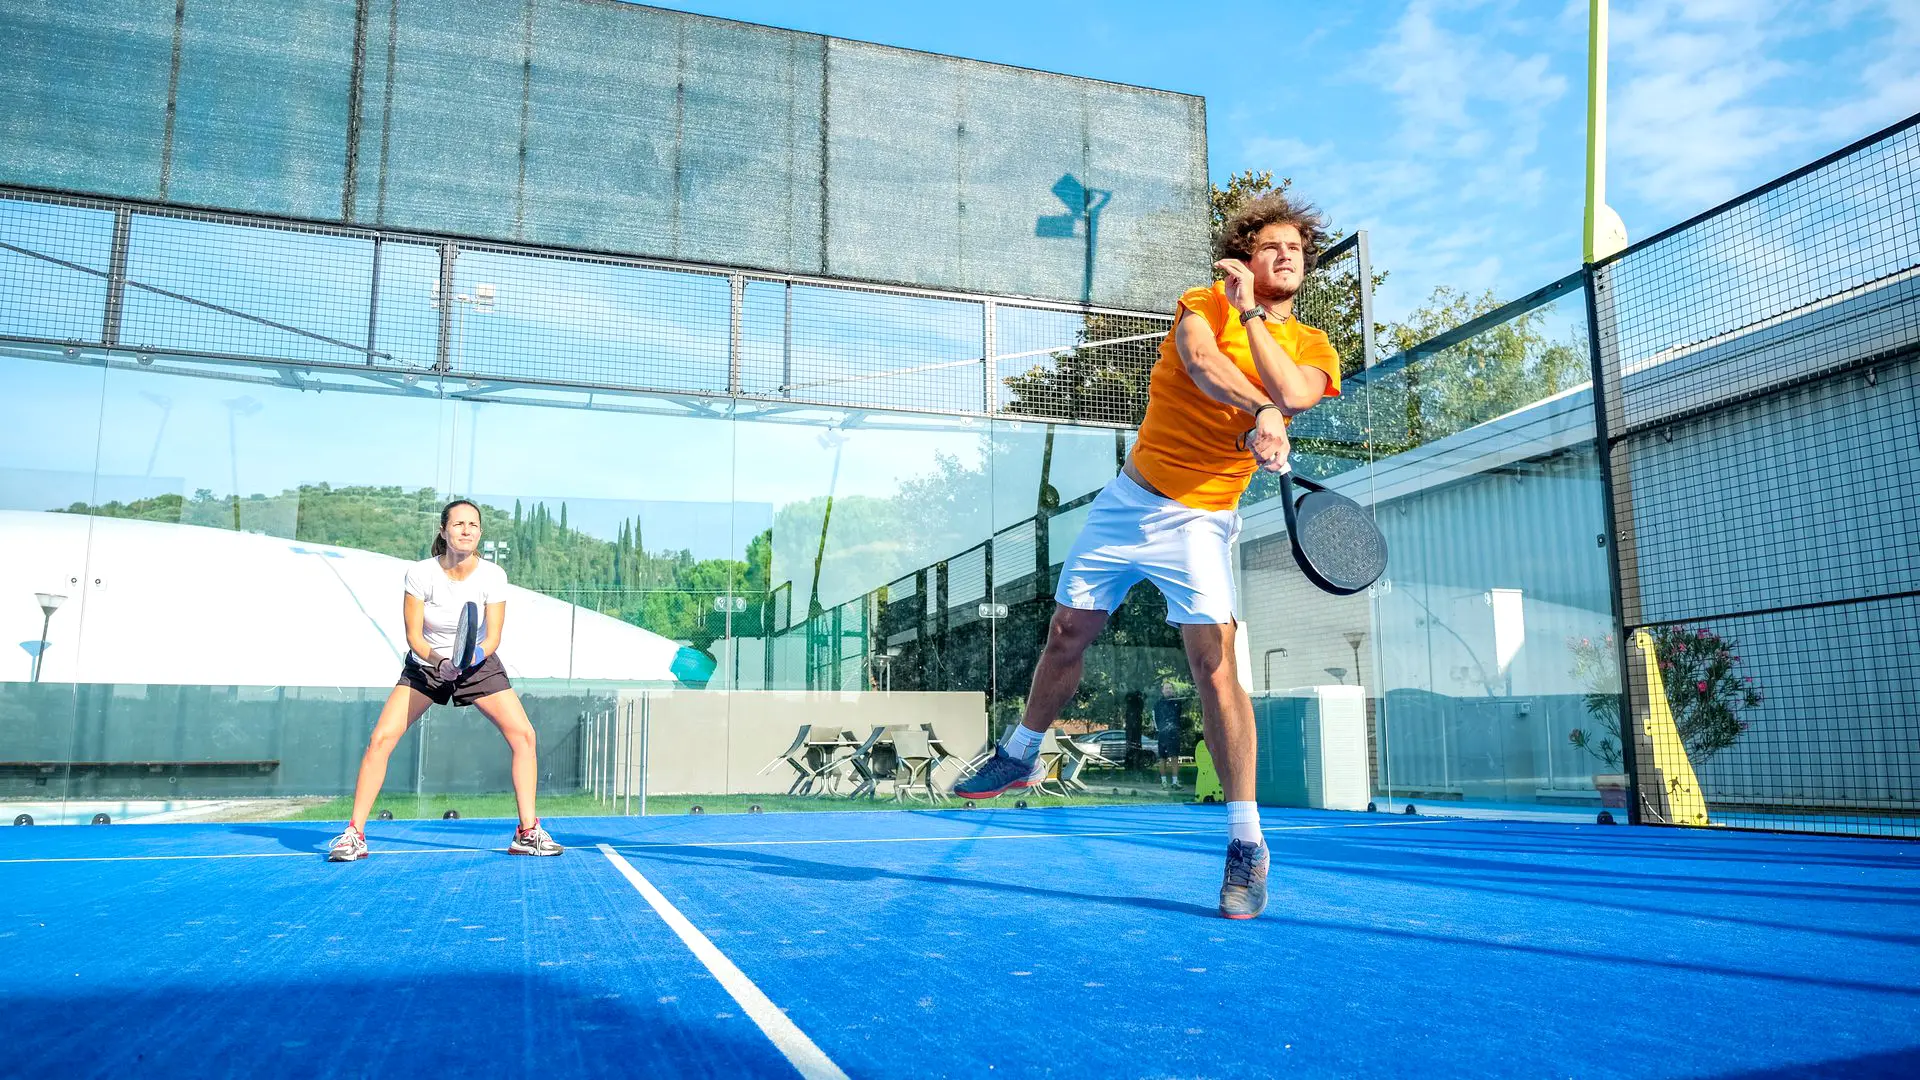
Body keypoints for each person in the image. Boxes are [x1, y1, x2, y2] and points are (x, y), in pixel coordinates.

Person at [953, 193, 1341, 919]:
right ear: (1244, 257)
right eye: (1270, 247)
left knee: (1213, 665)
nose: (1285, 255)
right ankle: (1020, 751)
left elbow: (1292, 391)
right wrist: (1259, 407)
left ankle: (1246, 842)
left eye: (1295, 248)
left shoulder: (1314, 345)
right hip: (1130, 500)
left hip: (1201, 520)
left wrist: (1258, 338)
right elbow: (1199, 365)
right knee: (1067, 633)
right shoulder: (1202, 302)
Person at [328, 499, 564, 861]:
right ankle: (353, 835)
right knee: (381, 739)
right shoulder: (420, 574)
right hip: (426, 665)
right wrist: (440, 661)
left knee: (524, 735)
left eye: (473, 525)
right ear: (443, 531)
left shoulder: (493, 576)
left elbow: (493, 637)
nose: (466, 530)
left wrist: (469, 658)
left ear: (480, 533)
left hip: (478, 663)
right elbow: (414, 636)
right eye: (458, 524)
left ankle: (527, 832)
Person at [1154, 682, 1185, 789]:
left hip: (1174, 733)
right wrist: (1160, 729)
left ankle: (1175, 782)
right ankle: (1163, 782)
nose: (1168, 690)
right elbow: (1156, 719)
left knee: (1175, 757)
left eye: (1170, 688)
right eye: (1166, 688)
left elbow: (1177, 716)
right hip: (1163, 734)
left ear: (1173, 690)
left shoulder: (1177, 702)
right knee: (1162, 758)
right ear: (1162, 691)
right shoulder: (1158, 704)